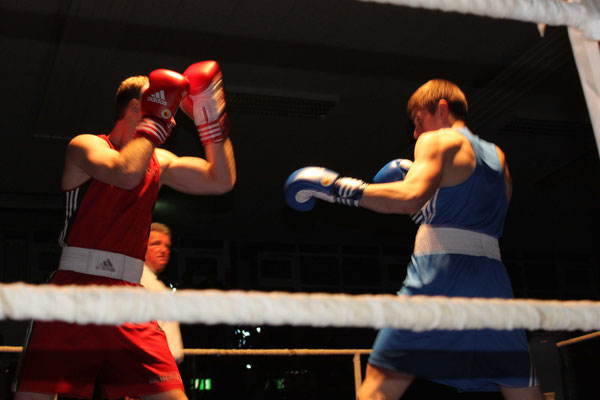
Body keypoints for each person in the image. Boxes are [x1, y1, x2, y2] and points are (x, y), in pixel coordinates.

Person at [284, 79, 544, 399]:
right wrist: (428, 214)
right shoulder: (498, 157)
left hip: (440, 276)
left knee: (381, 384)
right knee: (519, 384)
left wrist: (336, 187)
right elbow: (477, 220)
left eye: (419, 120)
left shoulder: (437, 140)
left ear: (443, 109)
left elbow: (408, 197)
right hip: (494, 283)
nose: (416, 133)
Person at [13, 61, 236, 400]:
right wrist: (154, 120)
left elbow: (221, 180)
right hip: (75, 292)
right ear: (138, 107)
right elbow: (126, 173)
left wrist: (210, 120)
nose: (173, 121)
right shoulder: (85, 146)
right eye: (168, 109)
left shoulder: (160, 160)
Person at [141, 222, 184, 364]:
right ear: (142, 246)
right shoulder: (138, 282)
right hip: (152, 367)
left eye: (167, 245)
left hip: (163, 367)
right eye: (156, 244)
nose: (163, 250)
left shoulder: (155, 284)